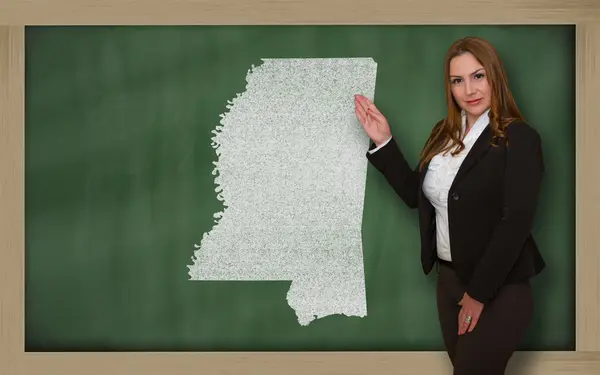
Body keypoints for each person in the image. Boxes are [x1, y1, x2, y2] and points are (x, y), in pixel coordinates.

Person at [354, 36, 546, 375]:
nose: (469, 89)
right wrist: (383, 140)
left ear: (494, 77)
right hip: (449, 282)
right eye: (457, 80)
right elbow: (418, 196)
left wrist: (477, 294)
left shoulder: (520, 138)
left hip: (497, 288)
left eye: (478, 76)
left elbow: (515, 221)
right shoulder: (443, 134)